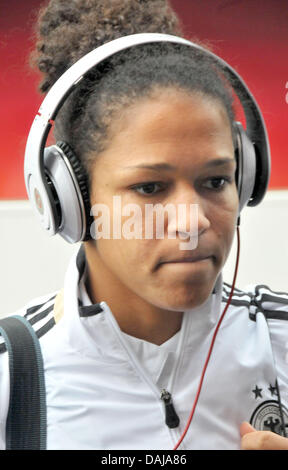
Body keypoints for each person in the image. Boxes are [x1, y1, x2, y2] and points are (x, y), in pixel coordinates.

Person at [1, 0, 288, 450]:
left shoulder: (281, 337)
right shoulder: (11, 376)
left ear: (246, 177)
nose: (192, 221)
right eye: (150, 188)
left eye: (215, 180)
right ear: (70, 200)